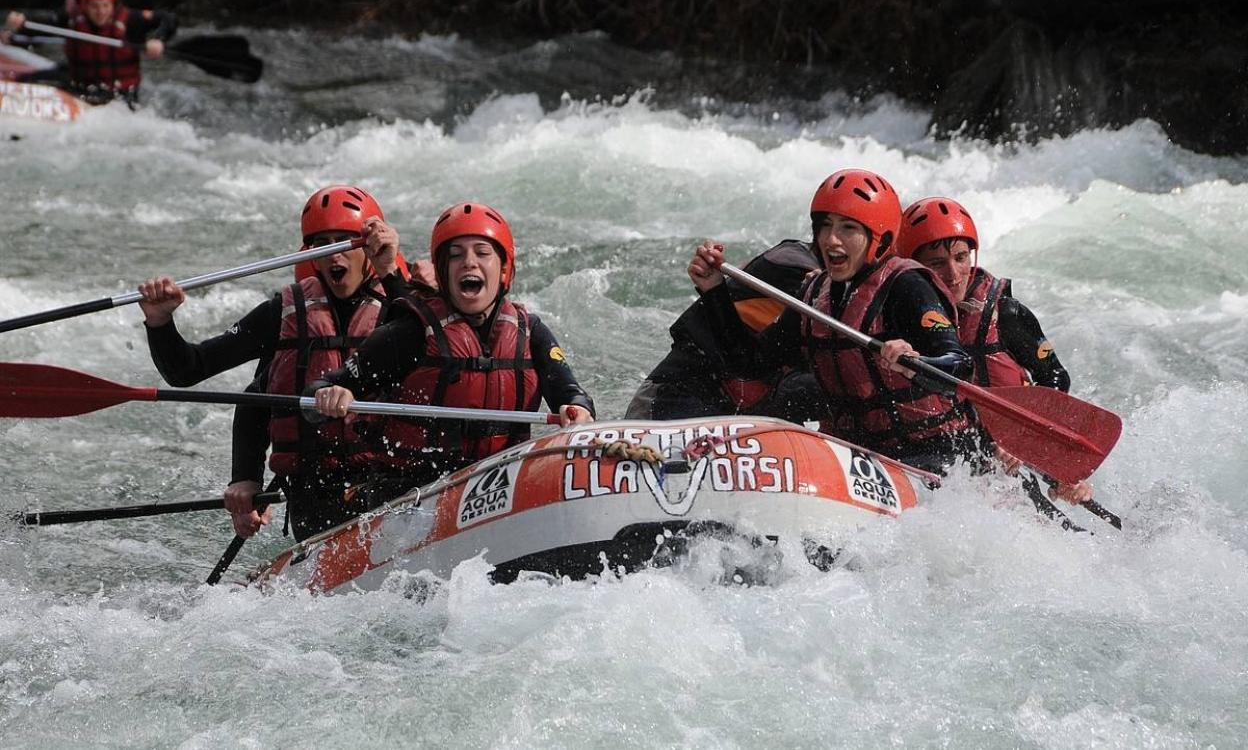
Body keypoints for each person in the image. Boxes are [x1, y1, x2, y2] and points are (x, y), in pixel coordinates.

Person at [137, 185, 428, 540]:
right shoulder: (285, 313)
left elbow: (431, 348)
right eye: (323, 244)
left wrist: (391, 273)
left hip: (395, 483)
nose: (335, 257)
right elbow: (192, 371)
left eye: (343, 242)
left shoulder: (404, 305)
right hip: (315, 495)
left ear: (367, 247)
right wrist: (160, 323)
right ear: (310, 253)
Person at [688, 169, 977, 472]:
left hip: (938, 456)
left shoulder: (907, 285)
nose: (831, 240)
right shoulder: (815, 294)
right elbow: (749, 364)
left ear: (881, 238)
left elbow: (959, 366)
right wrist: (714, 291)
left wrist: (917, 361)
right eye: (825, 226)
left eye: (848, 228)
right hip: (863, 459)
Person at [309, 202, 595, 494]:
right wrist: (332, 393)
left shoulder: (530, 330)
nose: (469, 262)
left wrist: (578, 409)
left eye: (482, 253)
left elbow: (572, 394)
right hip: (413, 494)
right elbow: (320, 389)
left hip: (500, 486)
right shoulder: (411, 332)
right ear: (443, 272)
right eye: (456, 256)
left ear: (504, 268)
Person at [896, 196, 1092, 503]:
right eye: (937, 264)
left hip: (1011, 460)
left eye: (961, 258)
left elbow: (1055, 379)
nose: (954, 274)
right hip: (945, 458)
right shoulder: (897, 318)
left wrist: (1028, 445)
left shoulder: (1007, 315)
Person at [625, 238, 824, 422]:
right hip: (680, 392)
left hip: (747, 409)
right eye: (830, 227)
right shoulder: (793, 263)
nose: (835, 239)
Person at [2, 0, 176, 105]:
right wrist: (21, 22)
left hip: (120, 98)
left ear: (113, 4)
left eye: (105, 6)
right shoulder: (72, 19)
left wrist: (158, 40)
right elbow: (42, 24)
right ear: (85, 6)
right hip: (81, 90)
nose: (100, 12)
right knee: (25, 79)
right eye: (95, 6)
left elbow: (168, 19)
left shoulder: (131, 19)